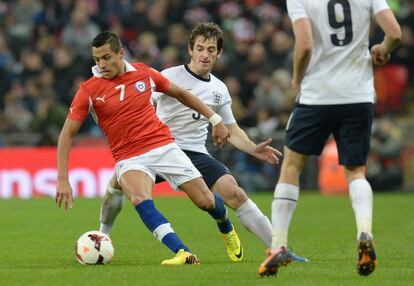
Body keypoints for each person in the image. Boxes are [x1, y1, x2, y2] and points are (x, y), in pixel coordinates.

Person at [99, 22, 289, 263]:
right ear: (190, 50)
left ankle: (279, 250)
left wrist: (253, 148)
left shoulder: (219, 90)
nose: (205, 55)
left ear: (219, 53)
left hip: (193, 153)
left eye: (211, 50)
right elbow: (145, 106)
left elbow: (231, 129)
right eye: (200, 48)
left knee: (235, 193)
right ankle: (102, 237)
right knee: (117, 185)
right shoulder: (169, 76)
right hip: (156, 148)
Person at [55, 31, 240, 266]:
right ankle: (182, 252)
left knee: (206, 201)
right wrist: (62, 178)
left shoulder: (144, 73)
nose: (101, 64)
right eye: (97, 59)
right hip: (129, 157)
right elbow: (66, 134)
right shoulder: (89, 90)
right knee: (139, 197)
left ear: (121, 54)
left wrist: (214, 119)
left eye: (106, 58)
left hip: (164, 147)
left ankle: (226, 227)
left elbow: (181, 94)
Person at [258, 0, 401, 277]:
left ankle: (278, 245)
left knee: (291, 166)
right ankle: (364, 231)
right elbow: (394, 33)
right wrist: (383, 49)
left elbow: (306, 43)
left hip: (316, 95)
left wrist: (297, 78)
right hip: (357, 95)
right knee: (356, 171)